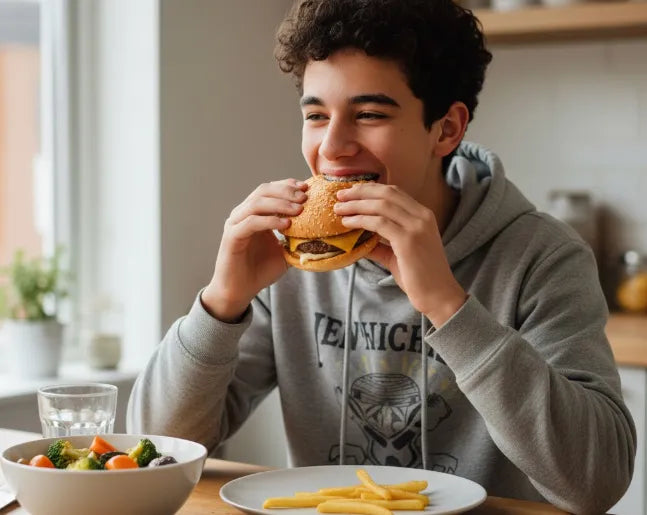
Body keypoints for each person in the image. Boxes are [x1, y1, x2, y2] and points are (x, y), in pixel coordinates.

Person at [127, 0, 636, 512]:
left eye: (369, 114)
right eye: (316, 115)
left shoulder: (542, 257)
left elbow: (596, 484)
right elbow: (152, 452)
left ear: (447, 129)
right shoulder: (291, 258)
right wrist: (221, 302)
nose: (332, 147)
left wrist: (447, 305)